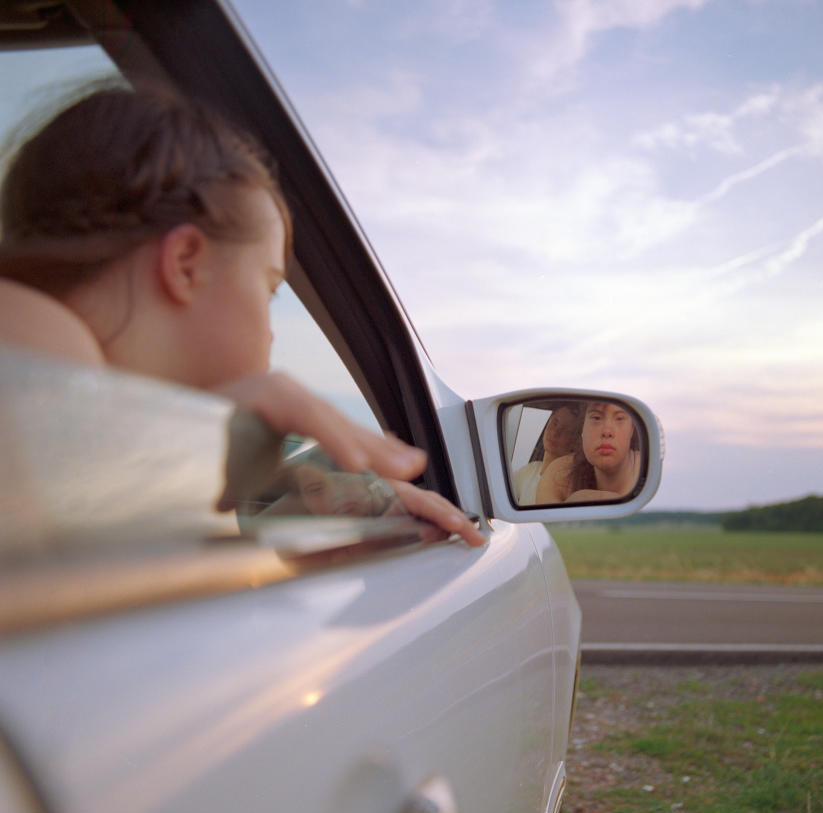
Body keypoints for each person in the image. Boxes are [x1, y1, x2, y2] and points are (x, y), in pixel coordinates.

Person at [0, 84, 484, 545]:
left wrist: (314, 516)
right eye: (269, 288)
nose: (271, 336)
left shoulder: (85, 426)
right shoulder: (32, 326)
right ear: (187, 264)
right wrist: (210, 433)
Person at [535, 400, 643, 504]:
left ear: (632, 429)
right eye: (596, 417)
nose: (607, 431)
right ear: (582, 428)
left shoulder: (647, 472)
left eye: (619, 418)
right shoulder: (559, 475)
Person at [511, 402, 579, 504]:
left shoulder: (569, 485)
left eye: (567, 430)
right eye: (555, 423)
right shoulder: (530, 470)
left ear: (575, 443)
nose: (556, 432)